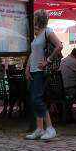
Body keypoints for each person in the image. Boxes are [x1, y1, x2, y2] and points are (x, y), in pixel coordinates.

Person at [25, 10, 63, 141]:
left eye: (35, 18)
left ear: (38, 19)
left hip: (42, 71)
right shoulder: (38, 34)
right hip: (34, 70)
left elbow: (59, 46)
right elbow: (33, 53)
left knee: (38, 100)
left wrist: (48, 61)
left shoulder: (48, 31)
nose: (34, 20)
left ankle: (50, 128)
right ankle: (40, 129)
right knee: (35, 100)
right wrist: (27, 67)